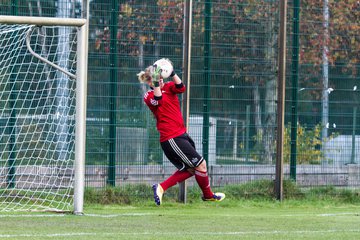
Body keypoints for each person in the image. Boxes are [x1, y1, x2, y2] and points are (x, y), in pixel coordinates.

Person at [137, 59, 225, 206]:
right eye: (154, 79)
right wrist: (156, 77)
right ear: (151, 81)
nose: (158, 80)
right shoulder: (149, 96)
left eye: (159, 77)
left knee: (191, 169)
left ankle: (161, 187)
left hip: (181, 134)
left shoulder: (170, 86)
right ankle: (208, 195)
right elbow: (158, 99)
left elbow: (181, 87)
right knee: (201, 164)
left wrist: (172, 72)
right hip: (171, 138)